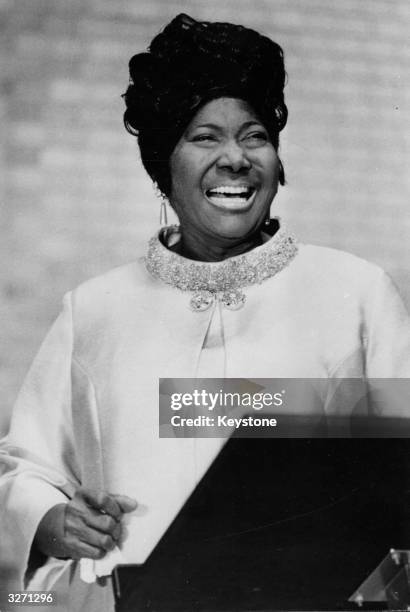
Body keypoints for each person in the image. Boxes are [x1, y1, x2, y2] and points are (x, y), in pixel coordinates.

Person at [1, 12, 409, 612]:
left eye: (254, 135)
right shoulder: (93, 312)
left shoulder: (358, 293)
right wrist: (53, 517)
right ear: (164, 161)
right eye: (204, 136)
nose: (236, 158)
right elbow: (24, 466)